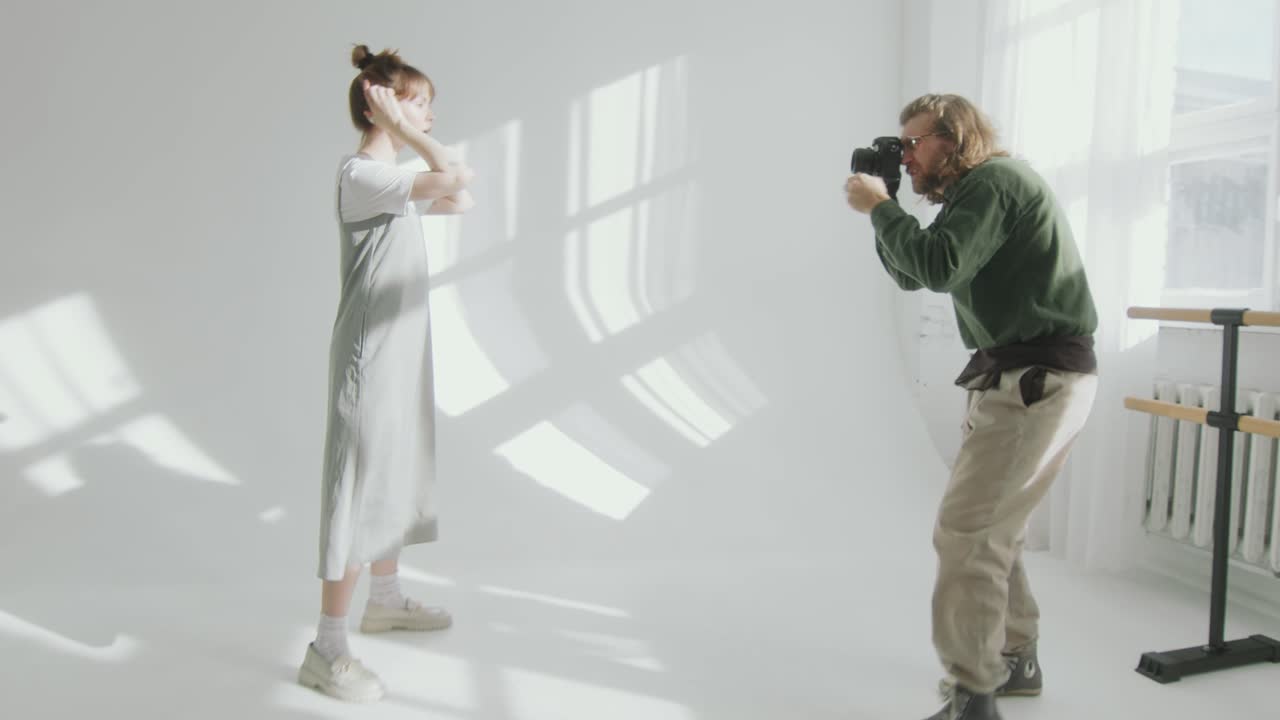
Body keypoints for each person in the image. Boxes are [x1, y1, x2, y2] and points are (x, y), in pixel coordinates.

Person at [845, 94, 1098, 720]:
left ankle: (974, 694)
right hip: (1015, 377)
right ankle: (1015, 660)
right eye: (902, 145)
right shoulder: (974, 194)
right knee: (991, 530)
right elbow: (912, 273)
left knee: (967, 534)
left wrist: (880, 207)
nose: (906, 154)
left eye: (915, 142)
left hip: (1036, 379)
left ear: (955, 137)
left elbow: (936, 264)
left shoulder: (995, 181)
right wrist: (890, 208)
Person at [297, 44, 475, 704]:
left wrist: (413, 140)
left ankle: (386, 599)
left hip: (403, 348)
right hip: (369, 355)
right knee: (357, 487)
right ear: (384, 101)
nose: (431, 114)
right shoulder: (363, 173)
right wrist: (404, 134)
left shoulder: (394, 176)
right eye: (421, 102)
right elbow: (453, 179)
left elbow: (458, 191)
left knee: (397, 470)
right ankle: (328, 646)